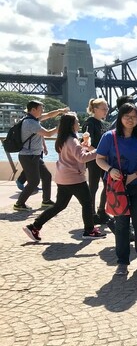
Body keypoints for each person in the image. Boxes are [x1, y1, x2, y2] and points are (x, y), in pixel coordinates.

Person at [22, 113, 105, 242]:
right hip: (75, 178)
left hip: (62, 177)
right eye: (77, 121)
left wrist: (84, 145)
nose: (79, 123)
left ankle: (34, 226)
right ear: (72, 125)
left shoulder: (63, 138)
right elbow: (81, 158)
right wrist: (99, 151)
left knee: (59, 205)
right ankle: (89, 230)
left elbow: (73, 153)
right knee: (87, 203)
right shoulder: (72, 140)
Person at [95, 103, 137, 275]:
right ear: (120, 118)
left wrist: (135, 175)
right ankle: (122, 261)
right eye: (126, 116)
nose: (130, 119)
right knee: (122, 225)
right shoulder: (109, 137)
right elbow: (99, 159)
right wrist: (110, 170)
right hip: (117, 187)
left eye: (134, 116)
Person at [14, 101, 69, 211]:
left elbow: (48, 115)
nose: (42, 111)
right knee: (34, 182)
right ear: (33, 110)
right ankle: (19, 204)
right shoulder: (30, 123)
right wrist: (61, 127)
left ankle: (46, 201)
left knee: (47, 176)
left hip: (34, 156)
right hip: (28, 156)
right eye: (40, 109)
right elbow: (48, 133)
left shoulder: (33, 119)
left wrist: (60, 111)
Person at [82, 98, 110, 224]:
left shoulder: (102, 123)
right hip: (94, 159)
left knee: (107, 185)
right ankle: (91, 213)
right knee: (93, 187)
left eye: (107, 108)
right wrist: (99, 153)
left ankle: (101, 210)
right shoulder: (90, 123)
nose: (106, 111)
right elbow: (86, 144)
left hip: (104, 159)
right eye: (104, 108)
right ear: (95, 109)